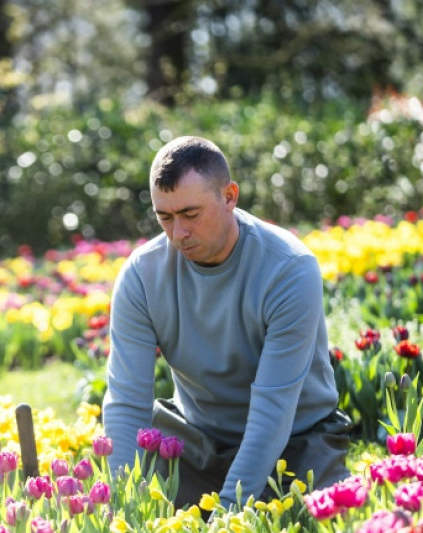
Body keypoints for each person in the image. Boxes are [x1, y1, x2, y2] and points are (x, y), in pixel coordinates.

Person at [102, 135, 351, 510]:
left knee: (305, 515)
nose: (178, 234)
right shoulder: (141, 275)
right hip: (196, 439)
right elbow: (127, 403)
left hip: (295, 438)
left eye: (190, 214)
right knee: (143, 499)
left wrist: (229, 510)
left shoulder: (289, 268)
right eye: (164, 217)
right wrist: (125, 504)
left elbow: (273, 410)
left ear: (230, 196)